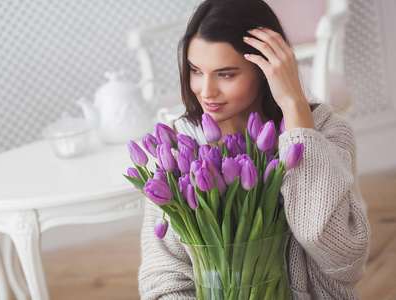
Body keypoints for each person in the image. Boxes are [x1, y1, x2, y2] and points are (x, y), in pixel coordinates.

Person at [138, 0, 370, 299]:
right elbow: (162, 279)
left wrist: (295, 109)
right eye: (196, 70)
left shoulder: (326, 132)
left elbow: (343, 259)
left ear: (265, 70)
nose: (205, 91)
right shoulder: (178, 150)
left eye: (226, 74)